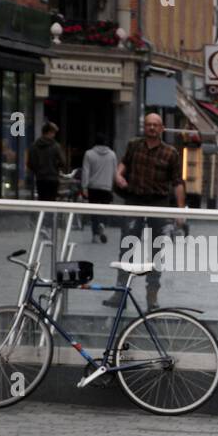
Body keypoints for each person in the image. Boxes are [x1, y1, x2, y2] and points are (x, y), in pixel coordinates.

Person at [110, 112, 185, 310]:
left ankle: (152, 297)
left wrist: (180, 211)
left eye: (155, 125)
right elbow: (124, 162)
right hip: (134, 199)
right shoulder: (134, 145)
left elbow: (178, 182)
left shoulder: (171, 153)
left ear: (162, 129)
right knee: (127, 247)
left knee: (156, 251)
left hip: (158, 203)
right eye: (148, 124)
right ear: (145, 127)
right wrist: (119, 174)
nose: (151, 128)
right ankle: (121, 294)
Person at [80, 132, 118, 244]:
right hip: (107, 187)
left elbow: (85, 171)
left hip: (93, 187)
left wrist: (84, 187)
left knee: (94, 212)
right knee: (104, 209)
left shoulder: (89, 154)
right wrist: (113, 185)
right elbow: (115, 171)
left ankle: (95, 235)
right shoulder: (112, 155)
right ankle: (103, 223)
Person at [27, 122, 66, 202]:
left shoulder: (34, 146)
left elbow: (30, 163)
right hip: (53, 178)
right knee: (51, 201)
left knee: (42, 200)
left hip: (40, 178)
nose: (54, 135)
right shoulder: (55, 146)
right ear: (49, 132)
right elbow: (63, 162)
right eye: (53, 133)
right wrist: (56, 166)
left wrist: (37, 170)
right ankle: (50, 214)